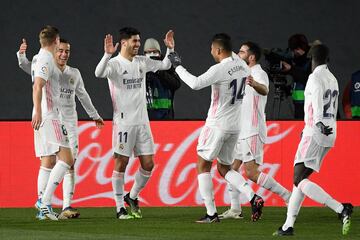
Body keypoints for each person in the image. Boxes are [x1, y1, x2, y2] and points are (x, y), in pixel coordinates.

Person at [168, 33, 264, 223]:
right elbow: (234, 55)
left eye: (212, 49)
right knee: (224, 168)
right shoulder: (243, 66)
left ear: (219, 50)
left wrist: (177, 65)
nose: (211, 52)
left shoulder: (220, 69)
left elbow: (195, 84)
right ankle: (253, 197)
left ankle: (211, 214)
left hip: (217, 124)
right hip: (235, 126)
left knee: (203, 165)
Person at [17, 38, 104, 219]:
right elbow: (30, 69)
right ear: (55, 50)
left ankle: (66, 207)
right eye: (60, 50)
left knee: (70, 164)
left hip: (69, 124)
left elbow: (83, 96)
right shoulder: (47, 66)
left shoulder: (74, 73)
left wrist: (94, 114)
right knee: (47, 161)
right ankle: (43, 205)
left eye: (67, 51)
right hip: (51, 119)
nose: (64, 54)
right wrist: (21, 56)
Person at [273, 44, 353, 236]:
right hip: (330, 132)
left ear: (311, 58)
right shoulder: (332, 78)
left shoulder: (314, 77)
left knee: (298, 178)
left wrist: (316, 124)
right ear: (327, 59)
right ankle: (288, 226)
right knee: (300, 180)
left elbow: (317, 104)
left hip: (316, 132)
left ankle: (340, 209)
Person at [95, 27, 174, 219]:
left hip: (142, 122)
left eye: (139, 41)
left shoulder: (141, 62)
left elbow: (164, 65)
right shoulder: (114, 64)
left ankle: (132, 196)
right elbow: (98, 73)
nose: (138, 44)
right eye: (135, 41)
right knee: (121, 163)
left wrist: (170, 50)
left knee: (148, 164)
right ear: (124, 43)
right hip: (123, 122)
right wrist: (106, 55)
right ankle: (119, 208)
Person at [219, 42, 291, 220]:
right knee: (229, 169)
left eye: (242, 51)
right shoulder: (239, 72)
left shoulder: (259, 73)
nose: (238, 53)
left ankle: (287, 195)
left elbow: (265, 89)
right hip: (239, 130)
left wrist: (254, 83)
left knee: (250, 173)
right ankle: (235, 209)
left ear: (251, 57)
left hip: (252, 129)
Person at [31, 25, 74, 220]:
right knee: (67, 160)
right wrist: (40, 112)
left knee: (47, 162)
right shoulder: (47, 58)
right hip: (49, 115)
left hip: (42, 115)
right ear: (56, 41)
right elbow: (38, 85)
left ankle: (43, 209)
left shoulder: (36, 58)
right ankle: (44, 201)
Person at [143, 38, 181, 119]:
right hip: (145, 117)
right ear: (144, 54)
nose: (152, 54)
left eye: (155, 51)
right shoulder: (141, 67)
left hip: (166, 116)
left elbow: (176, 84)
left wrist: (159, 70)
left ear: (159, 53)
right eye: (149, 52)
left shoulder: (168, 67)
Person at [281, 34, 312, 119]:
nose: (294, 53)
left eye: (295, 50)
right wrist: (288, 89)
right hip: (298, 106)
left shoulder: (312, 61)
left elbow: (308, 80)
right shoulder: (297, 61)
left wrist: (291, 69)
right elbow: (298, 83)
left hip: (309, 107)